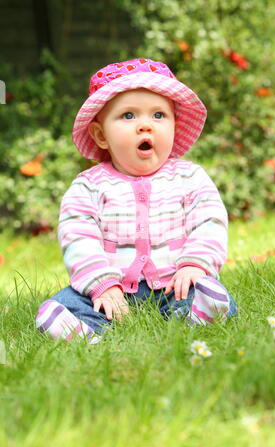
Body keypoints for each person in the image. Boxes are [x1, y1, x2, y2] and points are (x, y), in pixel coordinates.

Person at [36, 58, 237, 343]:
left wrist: (195, 264)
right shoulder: (88, 186)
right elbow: (77, 237)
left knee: (204, 292)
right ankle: (84, 330)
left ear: (175, 127)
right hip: (112, 292)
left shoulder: (190, 177)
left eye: (159, 116)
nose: (145, 126)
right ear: (100, 134)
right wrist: (102, 284)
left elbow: (209, 222)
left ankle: (197, 314)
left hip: (174, 283)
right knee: (68, 301)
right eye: (128, 116)